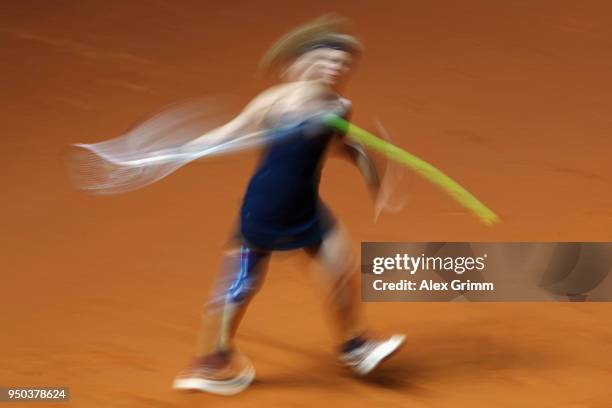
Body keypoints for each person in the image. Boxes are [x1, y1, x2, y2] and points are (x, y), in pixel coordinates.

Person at [172, 15, 405, 396]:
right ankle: (212, 360)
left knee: (342, 268)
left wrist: (375, 184)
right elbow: (229, 133)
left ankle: (355, 346)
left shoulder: (338, 106)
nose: (336, 69)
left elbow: (346, 147)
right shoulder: (275, 103)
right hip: (264, 208)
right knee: (242, 284)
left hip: (305, 207)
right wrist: (184, 150)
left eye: (343, 64)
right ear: (305, 63)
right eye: (328, 60)